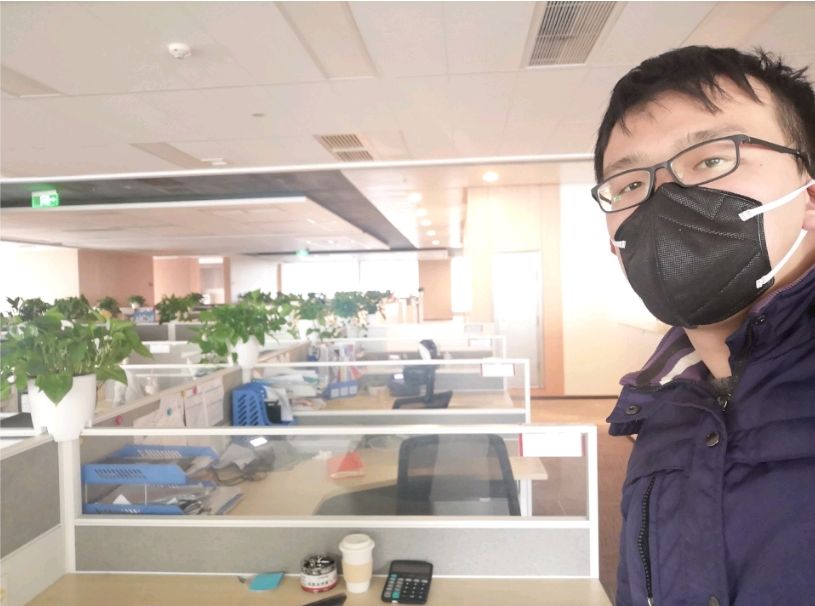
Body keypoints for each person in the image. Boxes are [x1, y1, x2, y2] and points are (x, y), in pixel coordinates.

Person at [592, 46, 815, 605]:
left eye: (711, 160)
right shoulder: (659, 411)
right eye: (629, 186)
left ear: (810, 196)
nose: (662, 199)